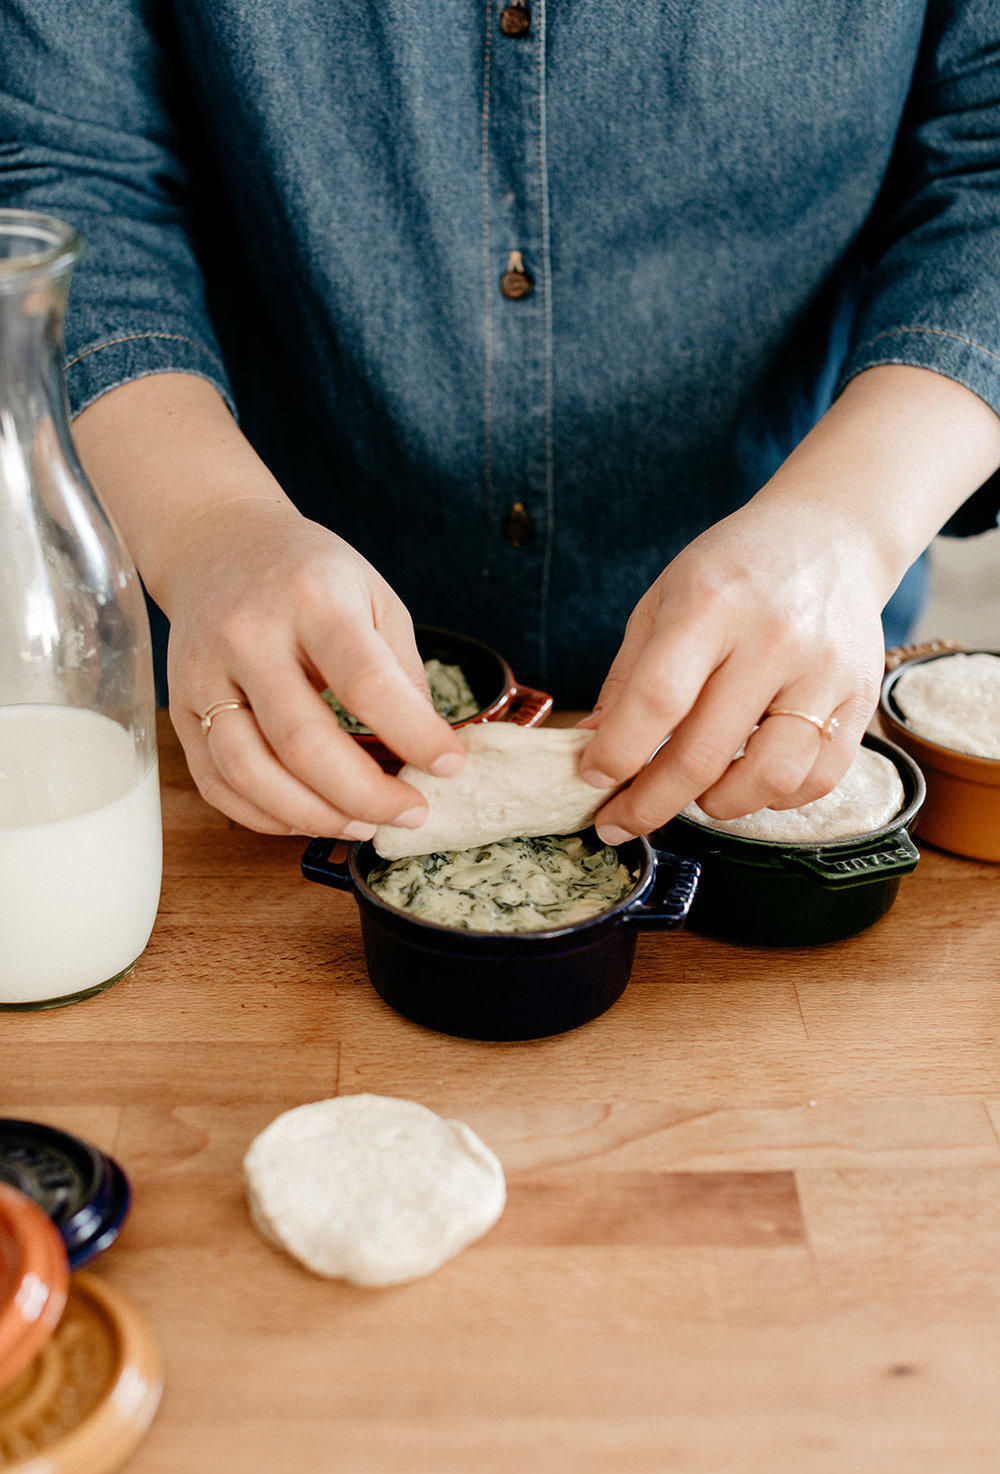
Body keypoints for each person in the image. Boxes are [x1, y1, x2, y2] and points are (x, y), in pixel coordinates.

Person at [2, 1, 999, 848]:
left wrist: (851, 524)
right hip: (254, 690)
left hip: (789, 677)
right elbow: (65, 171)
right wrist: (208, 527)